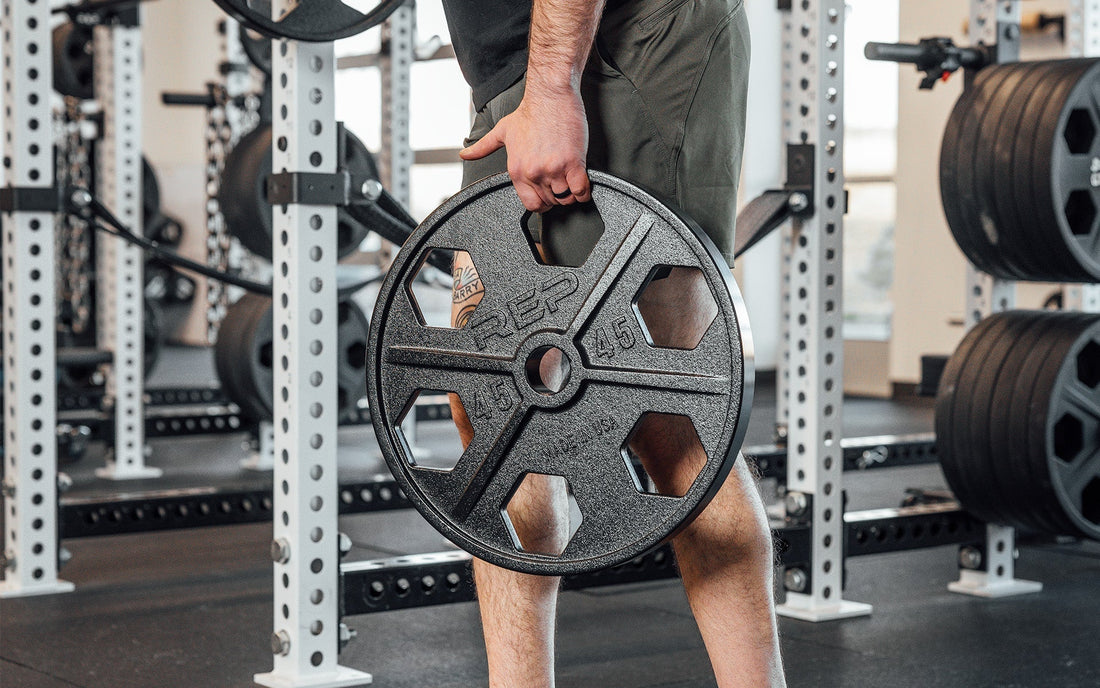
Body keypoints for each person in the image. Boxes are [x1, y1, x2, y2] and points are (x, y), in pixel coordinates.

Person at [439, 1, 785, 686]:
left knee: (665, 411)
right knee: (497, 408)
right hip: (523, 63)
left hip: (618, 43)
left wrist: (552, 86)